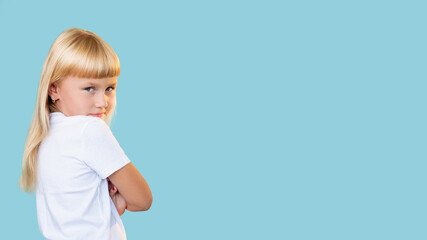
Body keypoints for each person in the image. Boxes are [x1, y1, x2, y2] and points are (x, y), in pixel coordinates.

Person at [18, 28, 152, 240]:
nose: (103, 102)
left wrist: (109, 203)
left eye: (110, 88)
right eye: (89, 88)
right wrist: (119, 199)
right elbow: (142, 200)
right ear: (54, 89)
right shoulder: (89, 130)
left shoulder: (46, 137)